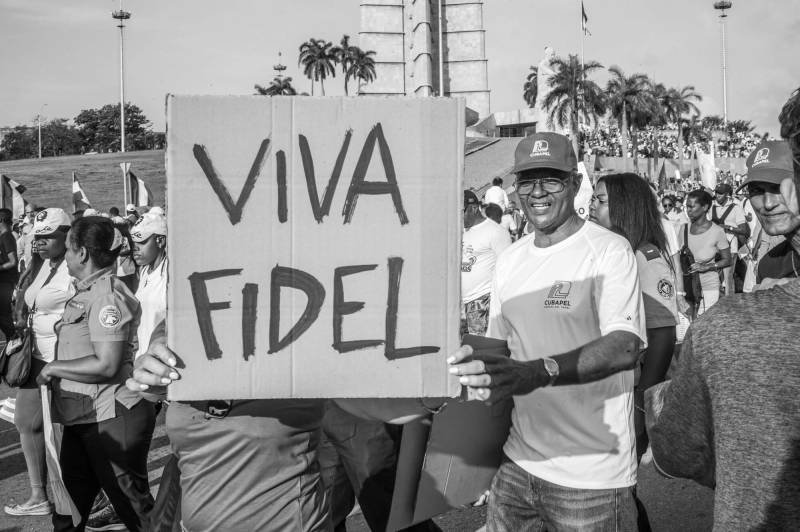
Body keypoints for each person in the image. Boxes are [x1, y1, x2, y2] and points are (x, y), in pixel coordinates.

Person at [449, 132, 646, 531]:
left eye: (551, 179)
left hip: (590, 478)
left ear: (574, 182)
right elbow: (497, 353)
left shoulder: (609, 251)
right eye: (527, 180)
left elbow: (625, 346)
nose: (537, 192)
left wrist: (539, 371)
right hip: (517, 464)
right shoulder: (512, 260)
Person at [645, 90, 800, 531]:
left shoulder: (729, 327)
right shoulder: (770, 263)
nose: (768, 201)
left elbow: (678, 448)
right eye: (757, 190)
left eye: (777, 187)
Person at [35, 216, 155, 532]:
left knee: (135, 512)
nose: (67, 258)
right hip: (82, 419)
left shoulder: (106, 295)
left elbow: (107, 364)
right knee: (68, 512)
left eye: (70, 250)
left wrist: (54, 367)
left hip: (111, 417)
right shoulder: (88, 291)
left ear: (83, 254)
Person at [590, 174, 680, 461]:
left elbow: (663, 334)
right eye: (593, 198)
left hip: (628, 389)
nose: (592, 205)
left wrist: (642, 402)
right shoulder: (610, 251)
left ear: (626, 207)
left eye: (601, 200)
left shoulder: (645, 257)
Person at [4, 209, 74, 519]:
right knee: (26, 422)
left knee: (65, 431)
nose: (40, 242)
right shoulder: (41, 264)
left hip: (65, 361)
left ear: (66, 235)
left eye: (48, 236)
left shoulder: (76, 266)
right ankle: (38, 494)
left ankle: (77, 496)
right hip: (34, 357)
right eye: (38, 236)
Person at [741, 141, 800, 286]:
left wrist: (791, 290)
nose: (768, 204)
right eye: (757, 191)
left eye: (779, 188)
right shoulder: (769, 267)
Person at [461, 190, 511, 336]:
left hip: (482, 302)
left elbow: (507, 269)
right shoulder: (461, 230)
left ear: (474, 208)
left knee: (482, 349)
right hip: (461, 303)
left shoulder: (495, 232)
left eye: (461, 211)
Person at [681, 189, 732, 316]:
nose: (688, 210)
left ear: (705, 207)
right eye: (687, 206)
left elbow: (727, 259)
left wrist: (707, 266)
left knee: (705, 324)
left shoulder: (717, 231)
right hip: (687, 286)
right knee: (689, 325)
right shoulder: (683, 229)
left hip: (709, 286)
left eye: (692, 206)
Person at [131, 212, 168, 359]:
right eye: (134, 242)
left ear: (160, 240)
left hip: (159, 358)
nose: (135, 248)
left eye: (141, 242)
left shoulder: (169, 275)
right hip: (141, 357)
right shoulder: (144, 270)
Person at [710, 183, 749, 294]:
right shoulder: (711, 207)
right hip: (714, 248)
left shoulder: (736, 208)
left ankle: (730, 304)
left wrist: (728, 227)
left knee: (728, 278)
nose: (717, 195)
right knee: (713, 279)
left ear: (727, 195)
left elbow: (744, 230)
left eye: (720, 193)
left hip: (730, 248)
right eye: (716, 192)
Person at [0, 208, 20, 341]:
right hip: (3, 280)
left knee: (3, 315)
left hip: (6, 281)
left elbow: (13, 261)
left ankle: (14, 340)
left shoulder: (7, 236)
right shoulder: (3, 236)